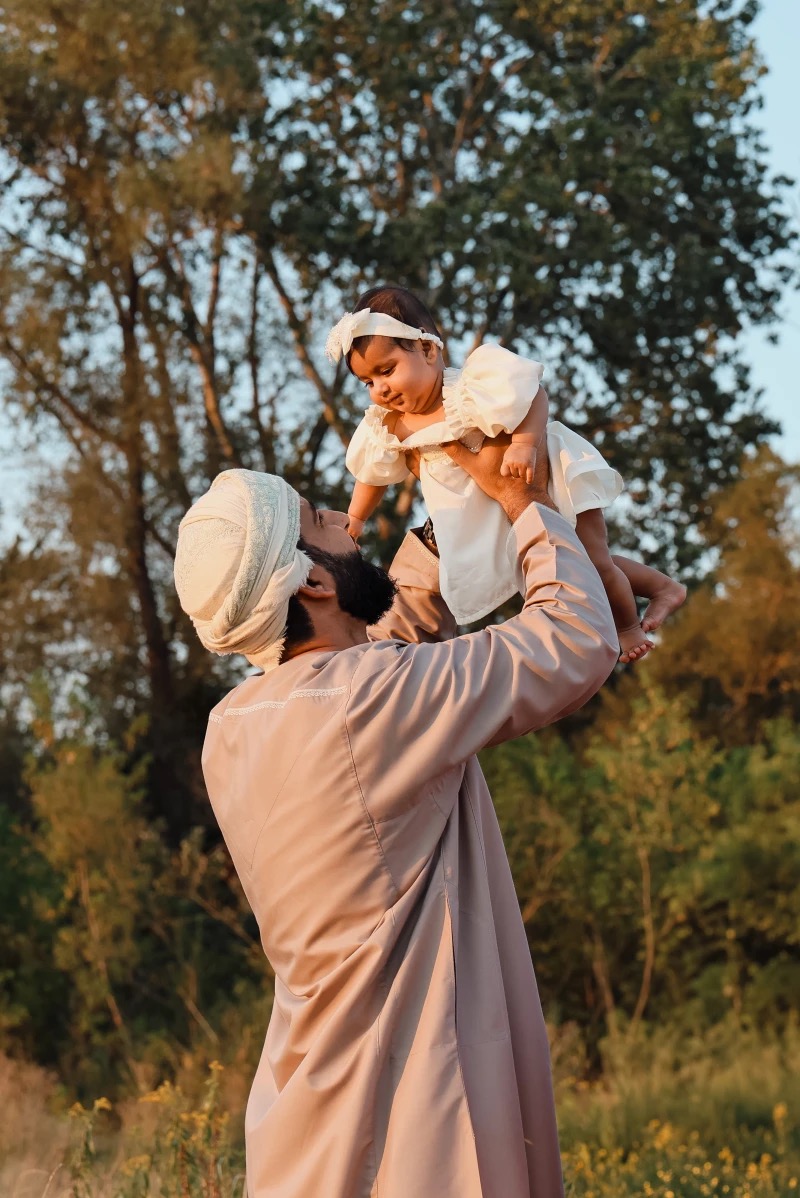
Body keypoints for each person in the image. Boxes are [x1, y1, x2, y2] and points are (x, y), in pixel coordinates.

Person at [174, 448, 617, 1198]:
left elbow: (373, 662)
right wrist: (527, 506)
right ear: (313, 582)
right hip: (416, 1120)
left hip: (306, 1119)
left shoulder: (236, 726)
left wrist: (445, 528)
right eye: (323, 521)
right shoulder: (372, 699)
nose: (347, 518)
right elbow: (574, 641)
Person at [329, 284, 686, 664]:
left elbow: (534, 395)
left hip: (545, 478)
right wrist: (356, 518)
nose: (380, 389)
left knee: (591, 562)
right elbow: (371, 475)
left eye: (387, 371)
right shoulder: (391, 425)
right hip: (492, 513)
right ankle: (662, 585)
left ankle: (627, 626)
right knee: (568, 562)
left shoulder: (470, 389)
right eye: (368, 382)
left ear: (428, 350)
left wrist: (524, 444)